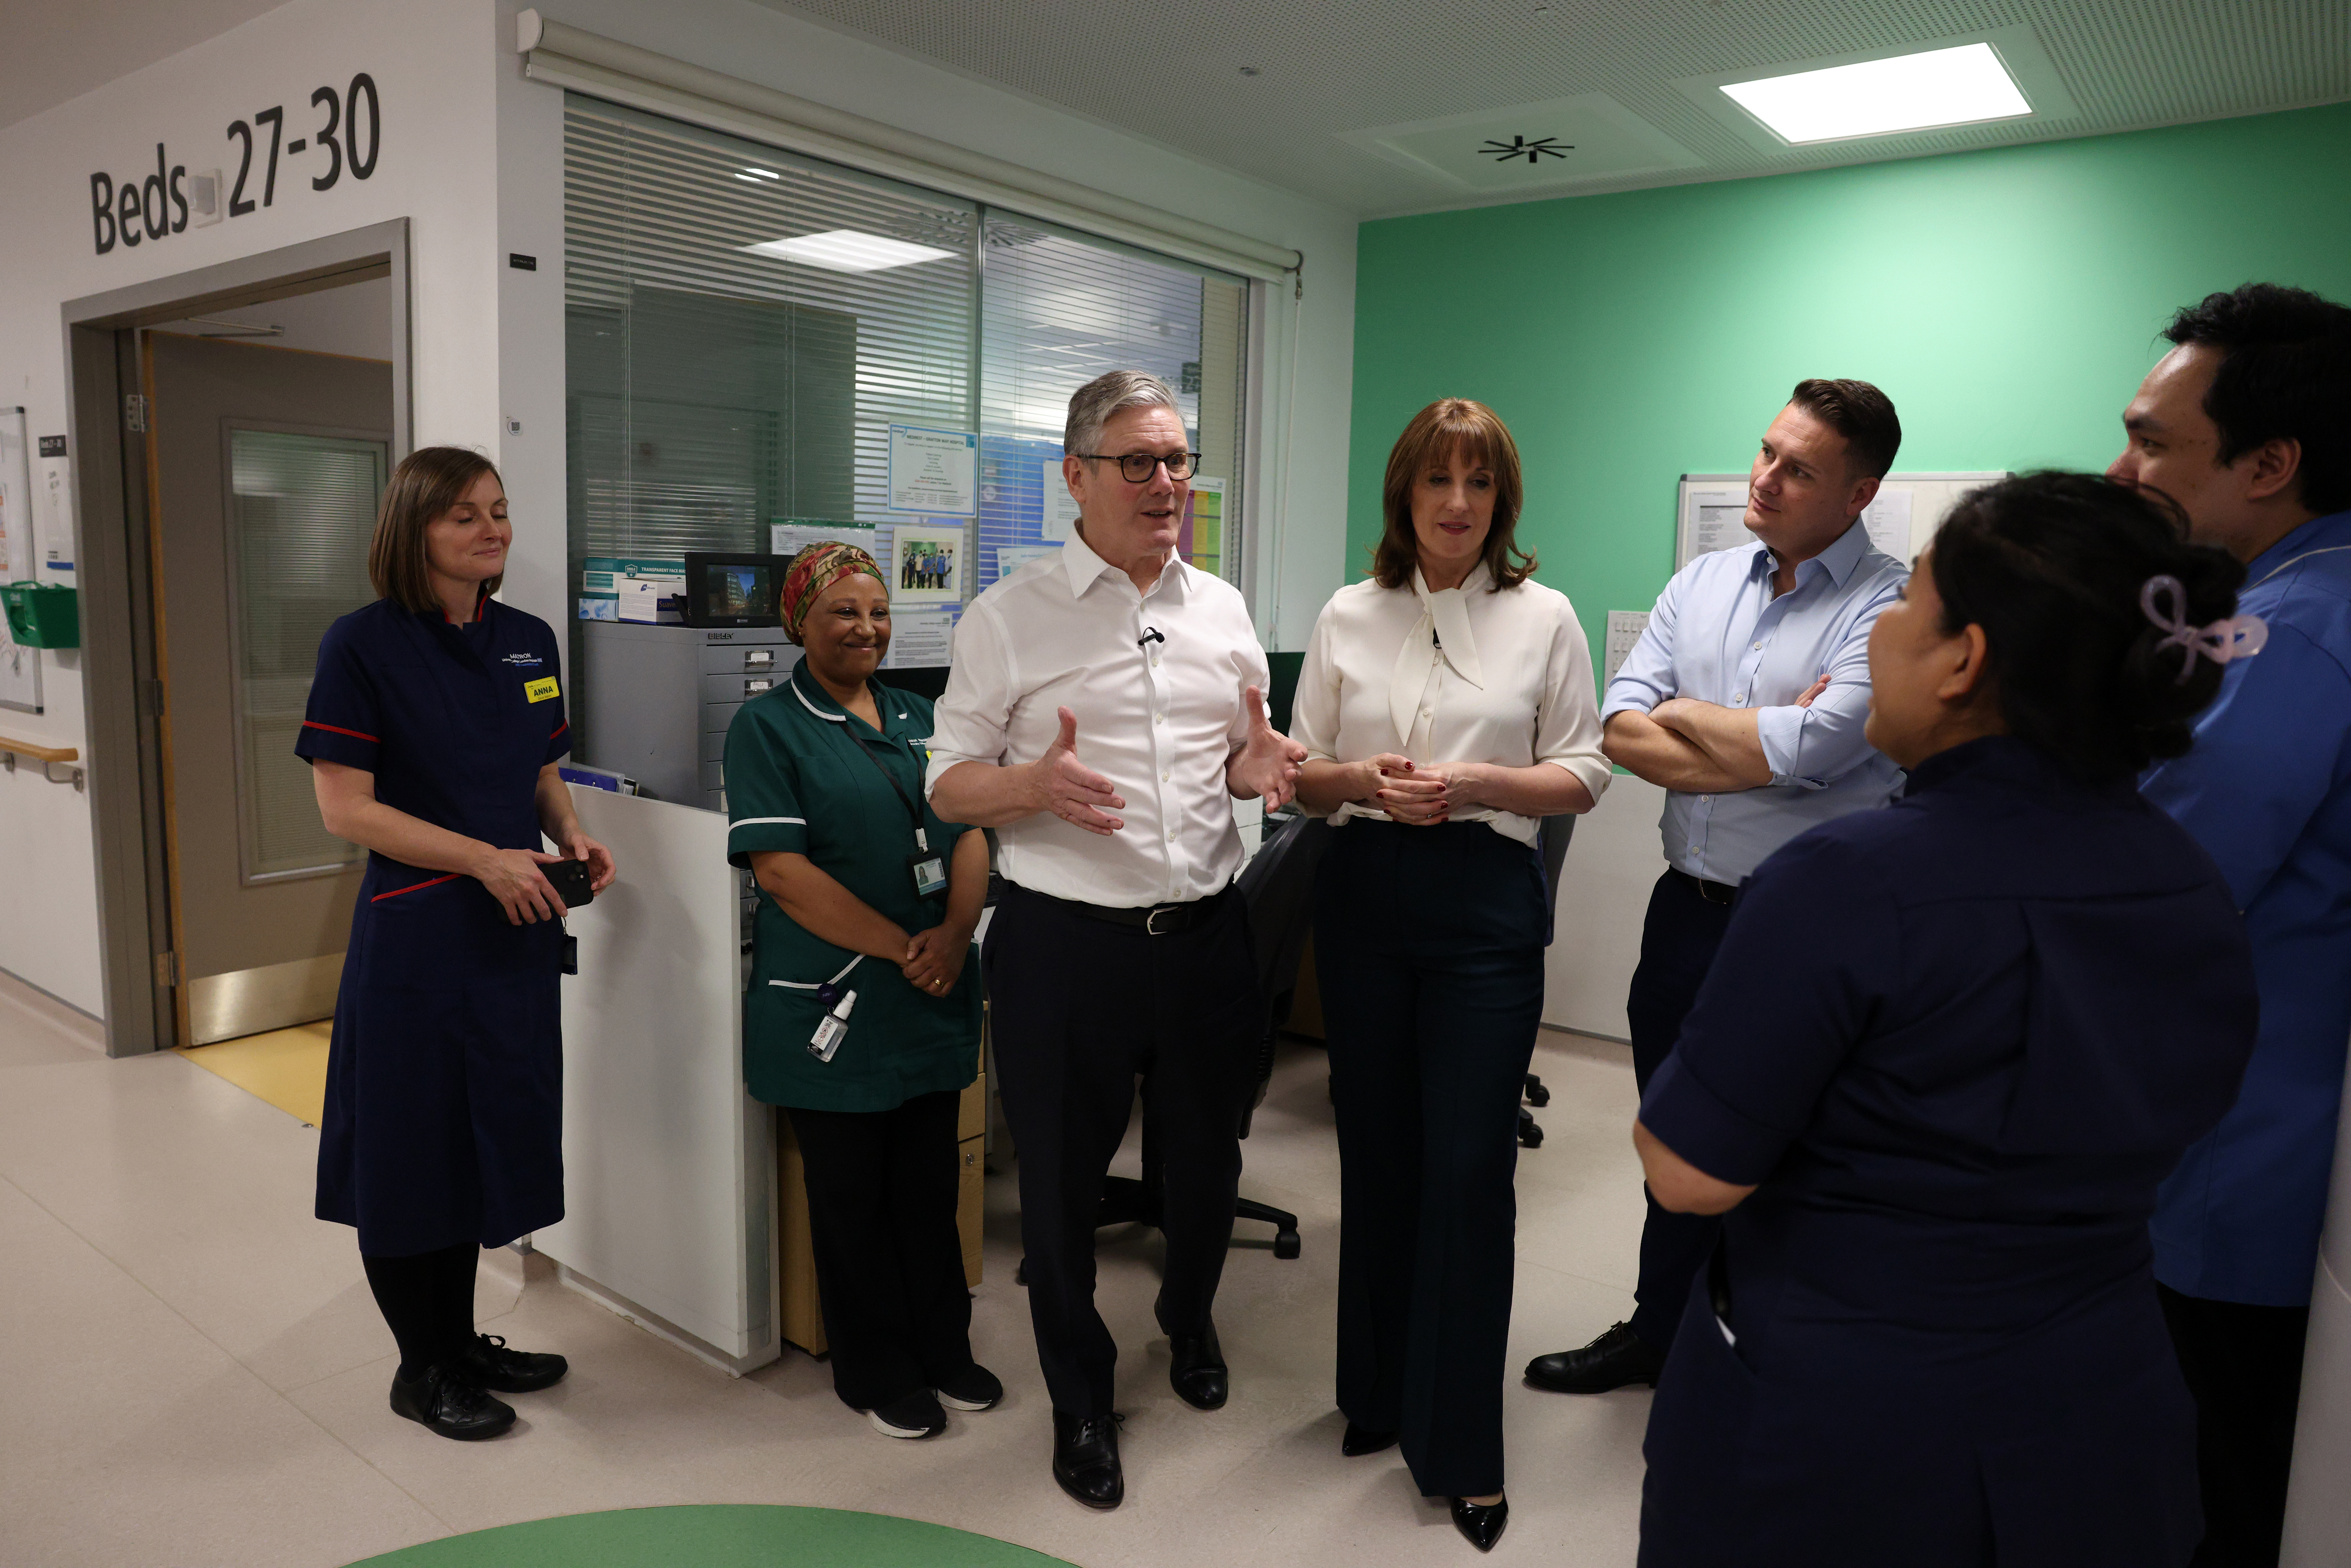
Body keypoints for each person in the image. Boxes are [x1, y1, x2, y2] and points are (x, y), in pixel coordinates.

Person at [1634, 472, 2263, 1566]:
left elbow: (1689, 1175)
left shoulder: (1845, 882)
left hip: (1850, 1440)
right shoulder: (2188, 882)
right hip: (2104, 1414)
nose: (1875, 640)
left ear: (1965, 660)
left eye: (1904, 609)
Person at [927, 369, 1304, 1511]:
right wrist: (1028, 784)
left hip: (1202, 937)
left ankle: (1188, 1326)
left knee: (1208, 1163)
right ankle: (1081, 1398)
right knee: (1057, 1185)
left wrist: (1253, 769)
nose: (1166, 485)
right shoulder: (1008, 616)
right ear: (1076, 478)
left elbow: (1234, 762)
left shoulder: (1223, 609)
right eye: (1136, 463)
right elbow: (948, 786)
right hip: (1063, 948)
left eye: (1179, 460)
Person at [1526, 378, 1908, 1397]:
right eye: (1766, 452)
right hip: (1687, 909)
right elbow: (1620, 727)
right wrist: (1760, 740)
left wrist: (1709, 724)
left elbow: (1823, 745)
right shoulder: (1700, 582)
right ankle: (1660, 1332)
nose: (1766, 479)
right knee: (1676, 1140)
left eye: (1800, 469)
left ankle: (1771, 1357)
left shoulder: (1889, 603)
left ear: (1859, 492)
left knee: (1795, 1153)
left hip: (1810, 928)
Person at [1293, 398, 1609, 1552]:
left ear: (1502, 500)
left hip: (1482, 912)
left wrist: (1474, 786)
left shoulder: (1546, 617)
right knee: (1376, 1157)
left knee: (1470, 1171)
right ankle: (1376, 1395)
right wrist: (1361, 780)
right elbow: (1301, 778)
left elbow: (1584, 771)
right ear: (1405, 494)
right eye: (1438, 482)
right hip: (1367, 898)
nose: (1458, 505)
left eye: (1479, 485)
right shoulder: (1348, 612)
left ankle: (1463, 1444)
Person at [300, 448, 615, 1441]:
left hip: (513, 930)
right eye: (463, 516)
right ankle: (420, 1366)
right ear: (413, 530)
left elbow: (541, 764)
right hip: (418, 939)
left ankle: (464, 1339)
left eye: (500, 511)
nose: (492, 530)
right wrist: (484, 858)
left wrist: (569, 832)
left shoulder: (527, 640)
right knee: (413, 1153)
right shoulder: (362, 646)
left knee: (490, 1137)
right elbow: (347, 810)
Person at [2112, 283, 2351, 1567]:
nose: (2123, 465)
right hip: (2272, 1158)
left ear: (2272, 464)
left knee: (2209, 1495)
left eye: (2155, 440)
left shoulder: (2297, 633)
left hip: (2234, 1178)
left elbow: (2161, 895)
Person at [722, 541, 997, 1441]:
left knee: (929, 1190)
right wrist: (902, 948)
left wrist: (953, 937)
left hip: (929, 990)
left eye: (877, 611)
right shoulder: (766, 728)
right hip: (834, 1001)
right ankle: (874, 1370)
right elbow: (784, 873)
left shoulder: (925, 715)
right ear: (800, 620)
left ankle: (944, 1351)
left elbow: (966, 832)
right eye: (843, 611)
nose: (866, 628)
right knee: (852, 1201)